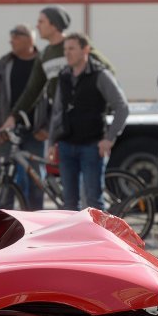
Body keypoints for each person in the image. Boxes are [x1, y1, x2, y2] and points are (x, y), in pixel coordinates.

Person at [48, 32, 128, 211]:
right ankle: (74, 239)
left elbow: (122, 107)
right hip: (67, 145)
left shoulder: (100, 75)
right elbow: (57, 111)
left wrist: (109, 138)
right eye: (65, 49)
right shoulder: (64, 76)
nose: (67, 53)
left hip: (92, 146)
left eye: (72, 49)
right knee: (69, 203)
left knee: (94, 202)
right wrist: (52, 142)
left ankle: (99, 238)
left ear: (86, 50)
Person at [0, 5, 112, 132]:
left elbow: (108, 71)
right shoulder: (44, 55)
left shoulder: (75, 46)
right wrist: (14, 116)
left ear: (54, 24)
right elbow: (32, 91)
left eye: (41, 21)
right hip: (62, 123)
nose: (37, 26)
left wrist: (102, 106)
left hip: (87, 123)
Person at [0, 24, 47, 209]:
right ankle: (6, 227)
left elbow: (55, 97)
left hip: (36, 132)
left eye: (16, 37)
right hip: (7, 133)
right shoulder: (4, 64)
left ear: (30, 39)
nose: (11, 41)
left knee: (36, 181)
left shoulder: (43, 62)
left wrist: (48, 129)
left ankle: (37, 223)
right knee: (5, 182)